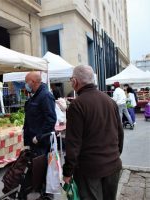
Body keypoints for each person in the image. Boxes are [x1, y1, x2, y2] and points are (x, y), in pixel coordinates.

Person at [63, 65, 124, 200]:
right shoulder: (110, 101)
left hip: (90, 169)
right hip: (112, 164)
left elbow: (73, 143)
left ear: (75, 81)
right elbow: (120, 133)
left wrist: (67, 172)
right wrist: (114, 155)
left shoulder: (77, 105)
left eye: (71, 79)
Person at [23, 72, 57, 200]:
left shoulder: (45, 96)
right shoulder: (35, 95)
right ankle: (40, 192)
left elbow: (51, 119)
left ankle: (45, 195)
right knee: (37, 169)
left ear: (33, 81)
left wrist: (39, 136)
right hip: (34, 141)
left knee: (42, 169)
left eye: (26, 81)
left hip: (41, 142)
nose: (25, 84)